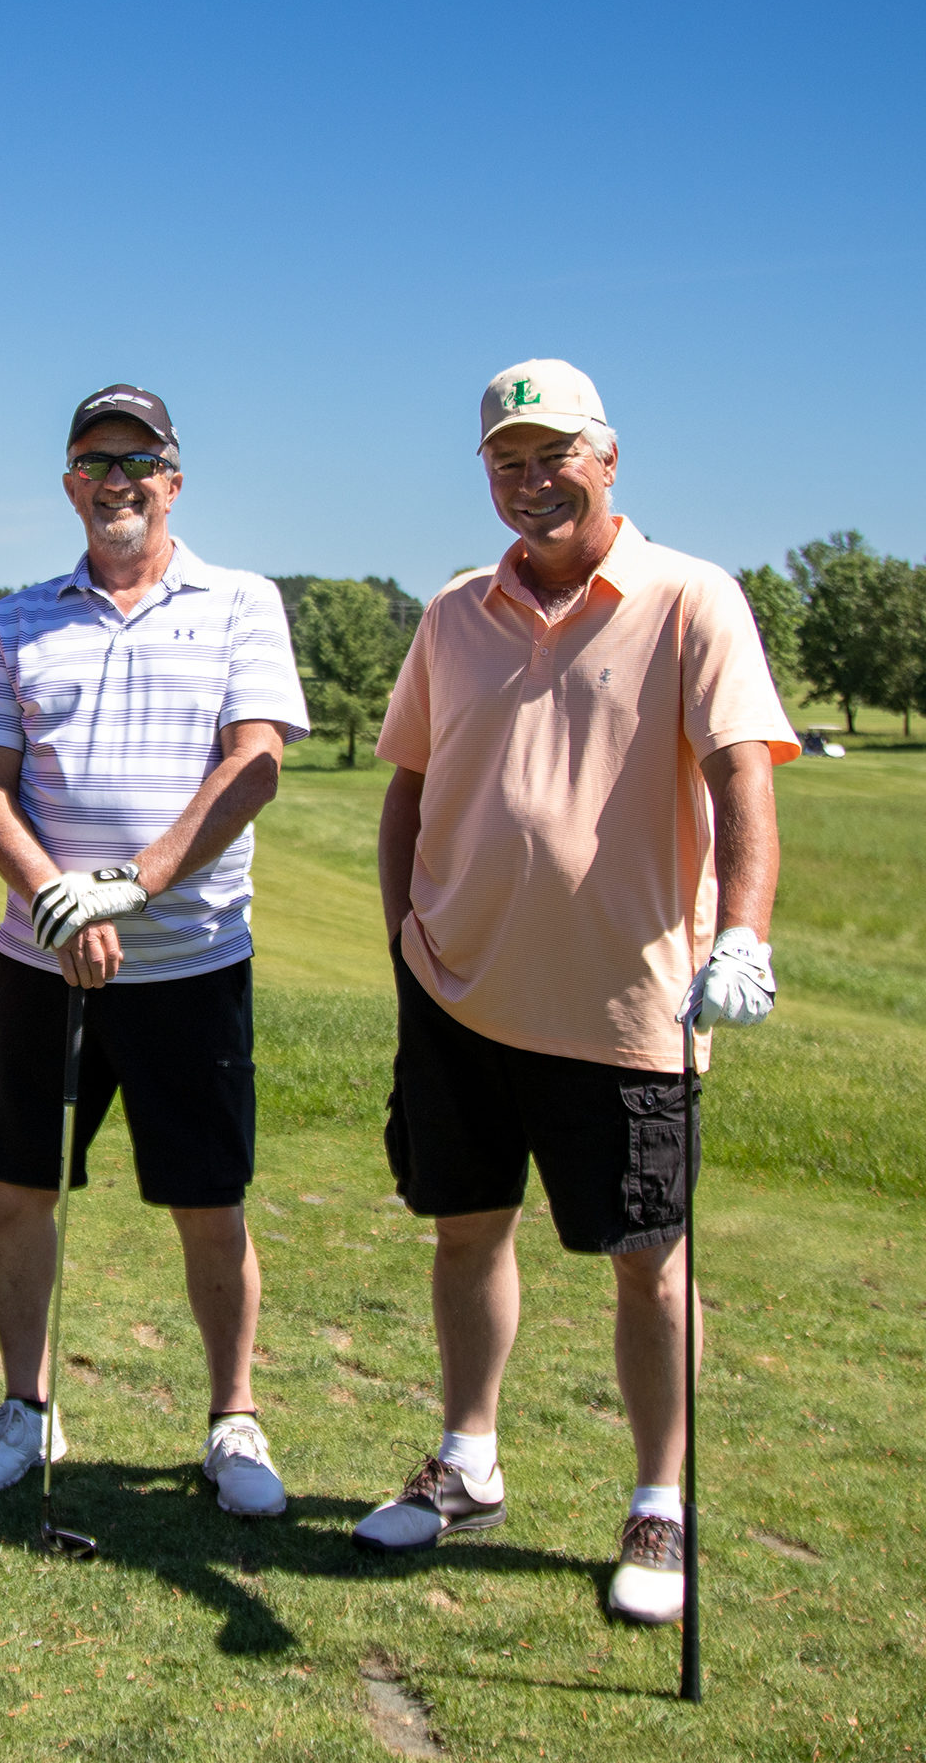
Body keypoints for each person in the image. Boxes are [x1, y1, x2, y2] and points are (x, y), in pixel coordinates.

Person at [355, 360, 796, 1626]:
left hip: (625, 1004)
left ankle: (657, 1502)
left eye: (552, 455)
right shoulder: (453, 611)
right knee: (464, 1228)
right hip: (457, 991)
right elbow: (407, 783)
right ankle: (467, 1460)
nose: (529, 480)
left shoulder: (689, 596)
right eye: (505, 460)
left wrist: (743, 933)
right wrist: (404, 937)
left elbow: (740, 777)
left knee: (647, 1261)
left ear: (606, 458)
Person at [0, 385, 311, 1516]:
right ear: (70, 484)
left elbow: (254, 763)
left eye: (138, 461)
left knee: (209, 1201)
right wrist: (55, 896)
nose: (118, 481)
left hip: (190, 962)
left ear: (173, 480)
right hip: (41, 962)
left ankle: (232, 1417)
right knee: (17, 1190)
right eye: (95, 461)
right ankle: (25, 1404)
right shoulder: (16, 619)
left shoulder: (241, 601)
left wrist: (135, 880)